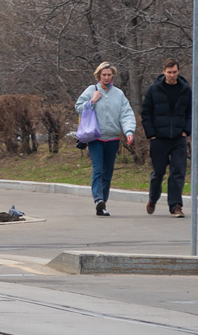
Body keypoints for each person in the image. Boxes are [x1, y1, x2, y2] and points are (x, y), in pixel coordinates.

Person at [75, 62, 136, 216]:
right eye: (104, 75)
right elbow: (78, 107)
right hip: (96, 137)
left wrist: (129, 131)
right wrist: (92, 101)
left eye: (109, 75)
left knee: (108, 172)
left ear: (112, 75)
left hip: (113, 138)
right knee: (98, 169)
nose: (107, 77)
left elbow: (126, 113)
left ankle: (102, 205)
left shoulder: (119, 94)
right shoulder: (91, 90)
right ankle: (97, 199)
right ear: (99, 76)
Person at [140, 57, 191, 218]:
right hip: (159, 139)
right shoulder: (154, 89)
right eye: (169, 72)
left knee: (178, 172)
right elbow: (146, 113)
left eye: (175, 72)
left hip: (178, 138)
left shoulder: (185, 89)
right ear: (163, 72)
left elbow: (190, 113)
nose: (172, 75)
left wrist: (186, 131)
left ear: (178, 71)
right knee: (158, 173)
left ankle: (175, 206)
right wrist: (152, 134)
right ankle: (153, 198)